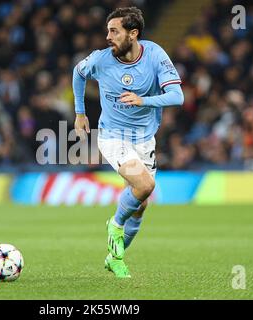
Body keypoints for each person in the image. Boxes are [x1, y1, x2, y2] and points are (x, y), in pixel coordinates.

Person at [72, 7, 184, 278]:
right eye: (108, 31)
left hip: (144, 139)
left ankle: (114, 258)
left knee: (141, 203)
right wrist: (79, 113)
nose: (108, 37)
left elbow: (177, 96)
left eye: (114, 31)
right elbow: (78, 73)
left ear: (133, 34)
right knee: (145, 184)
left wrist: (142, 99)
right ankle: (115, 222)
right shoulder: (100, 60)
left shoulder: (155, 55)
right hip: (112, 136)